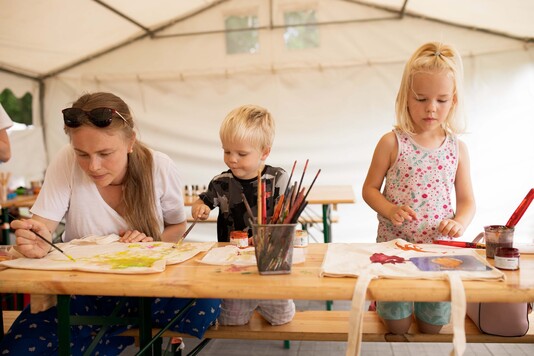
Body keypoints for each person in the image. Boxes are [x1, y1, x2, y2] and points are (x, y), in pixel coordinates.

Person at [0, 92, 221, 354]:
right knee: (18, 350)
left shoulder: (159, 166)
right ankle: (105, 332)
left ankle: (102, 333)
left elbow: (177, 227)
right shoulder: (66, 160)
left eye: (105, 153)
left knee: (206, 300)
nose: (93, 166)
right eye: (82, 154)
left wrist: (152, 246)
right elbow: (42, 229)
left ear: (130, 142)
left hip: (145, 289)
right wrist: (35, 241)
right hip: (81, 292)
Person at [362, 42, 476, 335]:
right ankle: (383, 305)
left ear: (454, 101)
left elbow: (467, 202)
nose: (431, 108)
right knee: (397, 327)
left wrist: (459, 222)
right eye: (422, 98)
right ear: (405, 98)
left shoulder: (457, 148)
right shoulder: (391, 142)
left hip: (438, 253)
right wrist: (389, 209)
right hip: (395, 251)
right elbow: (370, 189)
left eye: (441, 100)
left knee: (431, 327)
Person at [191, 104, 295, 326]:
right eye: (226, 151)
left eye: (242, 153)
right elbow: (204, 200)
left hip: (269, 264)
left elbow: (287, 220)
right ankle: (246, 304)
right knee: (232, 321)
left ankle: (263, 302)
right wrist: (200, 207)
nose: (232, 159)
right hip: (232, 264)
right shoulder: (221, 182)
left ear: (265, 152)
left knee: (281, 318)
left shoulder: (279, 179)